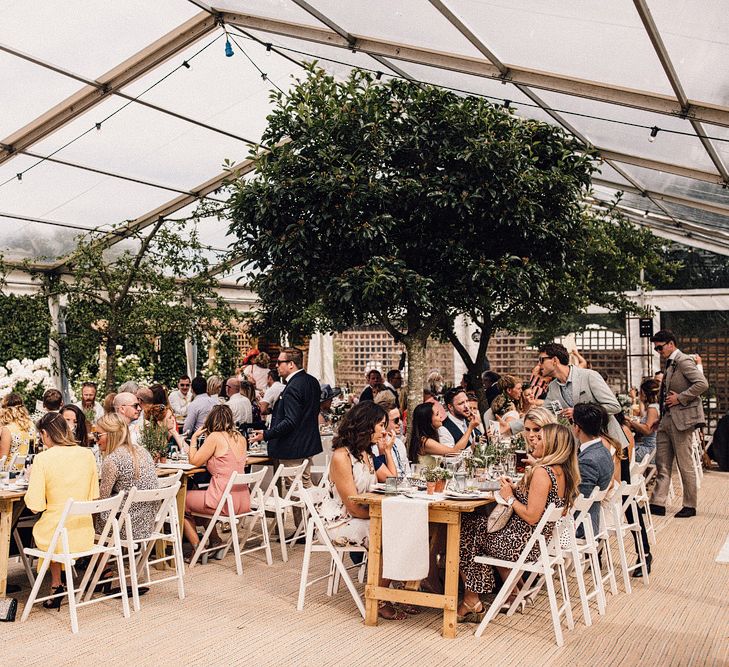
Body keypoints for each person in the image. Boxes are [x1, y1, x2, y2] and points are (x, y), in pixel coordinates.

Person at [458, 422, 579, 621]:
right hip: (535, 544)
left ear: (552, 445)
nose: (534, 441)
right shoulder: (562, 472)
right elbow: (542, 501)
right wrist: (516, 488)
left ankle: (472, 599)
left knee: (467, 527)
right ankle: (472, 599)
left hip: (518, 545)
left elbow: (532, 516)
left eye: (540, 439)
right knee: (474, 526)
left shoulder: (543, 472)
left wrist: (510, 498)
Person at [321, 401, 406, 620]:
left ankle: (392, 590)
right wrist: (385, 515)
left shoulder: (366, 453)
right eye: (381, 425)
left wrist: (386, 451)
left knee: (406, 528)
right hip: (340, 522)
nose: (385, 430)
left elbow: (393, 481)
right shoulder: (342, 456)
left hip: (363, 516)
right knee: (392, 534)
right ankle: (378, 599)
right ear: (366, 425)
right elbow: (353, 507)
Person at [24, 413, 99, 607]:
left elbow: (35, 506)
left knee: (49, 523)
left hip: (57, 534)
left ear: (45, 434)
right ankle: (57, 584)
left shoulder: (43, 459)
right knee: (57, 522)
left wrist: (31, 477)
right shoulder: (87, 454)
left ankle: (57, 584)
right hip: (84, 531)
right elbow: (94, 495)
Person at [250, 347, 322, 507]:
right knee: (304, 487)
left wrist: (266, 434)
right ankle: (308, 527)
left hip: (293, 449)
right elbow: (307, 412)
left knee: (296, 492)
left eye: (279, 362)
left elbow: (290, 421)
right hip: (307, 445)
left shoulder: (292, 387)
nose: (276, 366)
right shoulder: (311, 381)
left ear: (291, 364)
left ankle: (305, 529)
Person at [649, 330, 708, 518]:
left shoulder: (683, 361)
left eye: (660, 347)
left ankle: (690, 505)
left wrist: (680, 398)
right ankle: (658, 502)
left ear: (671, 344)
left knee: (685, 464)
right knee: (662, 463)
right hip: (667, 419)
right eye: (656, 348)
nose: (658, 351)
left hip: (682, 420)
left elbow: (702, 384)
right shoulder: (671, 363)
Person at [184, 405, 250, 558]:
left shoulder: (215, 437)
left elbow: (194, 461)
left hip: (223, 501)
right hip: (241, 499)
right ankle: (215, 541)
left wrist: (194, 439)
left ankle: (198, 549)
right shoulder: (240, 438)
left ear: (211, 420)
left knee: (180, 501)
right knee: (199, 496)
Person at [539, 342, 628, 448]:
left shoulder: (589, 376)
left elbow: (614, 406)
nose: (539, 365)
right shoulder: (553, 387)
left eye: (541, 360)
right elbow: (541, 413)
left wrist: (578, 413)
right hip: (582, 447)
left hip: (611, 444)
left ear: (554, 360)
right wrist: (514, 426)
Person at [95, 413, 159, 539]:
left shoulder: (112, 459)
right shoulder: (142, 451)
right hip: (148, 524)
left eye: (98, 435)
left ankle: (95, 558)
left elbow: (103, 500)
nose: (95, 439)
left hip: (125, 528)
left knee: (88, 512)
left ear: (111, 434)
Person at [571, 403, 616, 535]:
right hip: (592, 520)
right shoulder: (604, 450)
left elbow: (579, 500)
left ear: (577, 428)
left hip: (580, 527)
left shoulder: (588, 460)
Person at [0, 393, 37, 466]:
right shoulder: (31, 425)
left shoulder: (7, 429)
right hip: (28, 468)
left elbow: (2, 459)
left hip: (9, 472)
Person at [387, 406, 410, 477]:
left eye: (400, 419)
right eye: (396, 420)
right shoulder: (377, 445)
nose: (400, 423)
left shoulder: (399, 443)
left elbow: (407, 471)